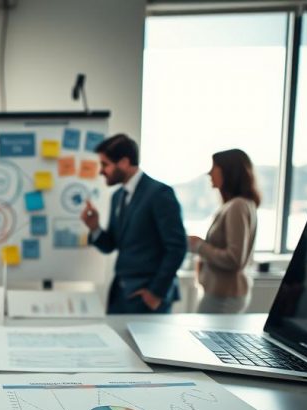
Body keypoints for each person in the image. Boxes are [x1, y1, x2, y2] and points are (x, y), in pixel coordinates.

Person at [80, 134, 187, 314]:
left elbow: (177, 247)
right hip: (120, 295)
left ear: (123, 162)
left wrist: (155, 293)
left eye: (105, 164)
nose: (100, 171)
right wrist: (95, 228)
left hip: (147, 298)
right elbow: (112, 244)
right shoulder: (117, 197)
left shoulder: (159, 194)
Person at [189, 148, 260, 314]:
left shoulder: (237, 206)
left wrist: (199, 246)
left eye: (214, 167)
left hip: (224, 295)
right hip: (222, 293)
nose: (209, 173)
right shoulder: (240, 204)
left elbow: (235, 259)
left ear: (228, 171)